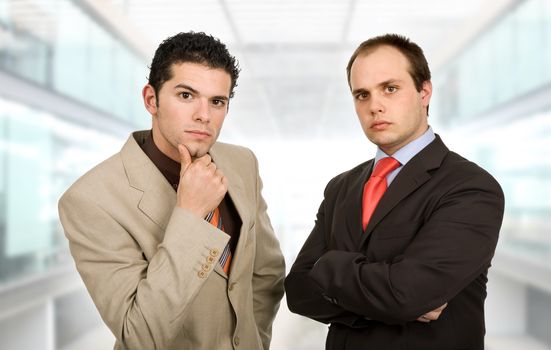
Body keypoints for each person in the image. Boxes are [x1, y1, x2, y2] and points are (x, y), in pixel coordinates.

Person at [58, 32, 285, 350]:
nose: (204, 115)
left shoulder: (242, 162)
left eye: (217, 101)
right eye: (186, 96)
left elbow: (266, 273)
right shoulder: (90, 200)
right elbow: (140, 335)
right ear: (151, 100)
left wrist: (253, 341)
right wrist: (190, 215)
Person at [285, 33, 504, 350]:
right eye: (362, 95)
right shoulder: (340, 188)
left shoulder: (470, 188)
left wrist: (326, 266)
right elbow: (299, 291)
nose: (375, 106)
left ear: (424, 92)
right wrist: (388, 298)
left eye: (390, 88)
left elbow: (407, 295)